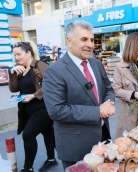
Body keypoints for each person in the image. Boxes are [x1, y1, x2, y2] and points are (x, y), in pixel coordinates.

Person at [42, 20, 115, 170]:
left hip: (102, 138)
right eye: (84, 39)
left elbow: (108, 88)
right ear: (69, 41)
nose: (90, 44)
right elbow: (56, 110)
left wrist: (109, 103)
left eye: (92, 39)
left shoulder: (96, 64)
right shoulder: (54, 71)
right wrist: (98, 111)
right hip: (75, 146)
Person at [9, 41, 57, 172]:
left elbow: (52, 84)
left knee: (28, 135)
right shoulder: (20, 70)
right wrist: (12, 73)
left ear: (28, 53)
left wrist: (34, 95)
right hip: (29, 111)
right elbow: (13, 89)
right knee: (47, 133)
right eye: (14, 55)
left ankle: (27, 168)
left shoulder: (39, 65)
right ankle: (51, 159)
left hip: (44, 109)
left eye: (19, 54)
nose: (17, 57)